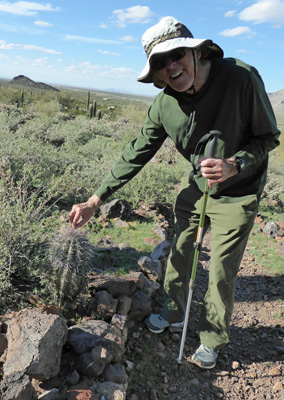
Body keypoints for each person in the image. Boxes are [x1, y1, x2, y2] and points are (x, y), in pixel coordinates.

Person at [69, 16, 280, 369]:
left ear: (197, 52)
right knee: (180, 250)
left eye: (176, 54)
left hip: (239, 190)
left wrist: (234, 164)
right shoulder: (165, 105)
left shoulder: (241, 77)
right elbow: (137, 150)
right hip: (197, 187)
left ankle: (211, 338)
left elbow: (268, 136)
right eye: (160, 63)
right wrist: (95, 199)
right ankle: (173, 311)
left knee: (222, 270)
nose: (171, 66)